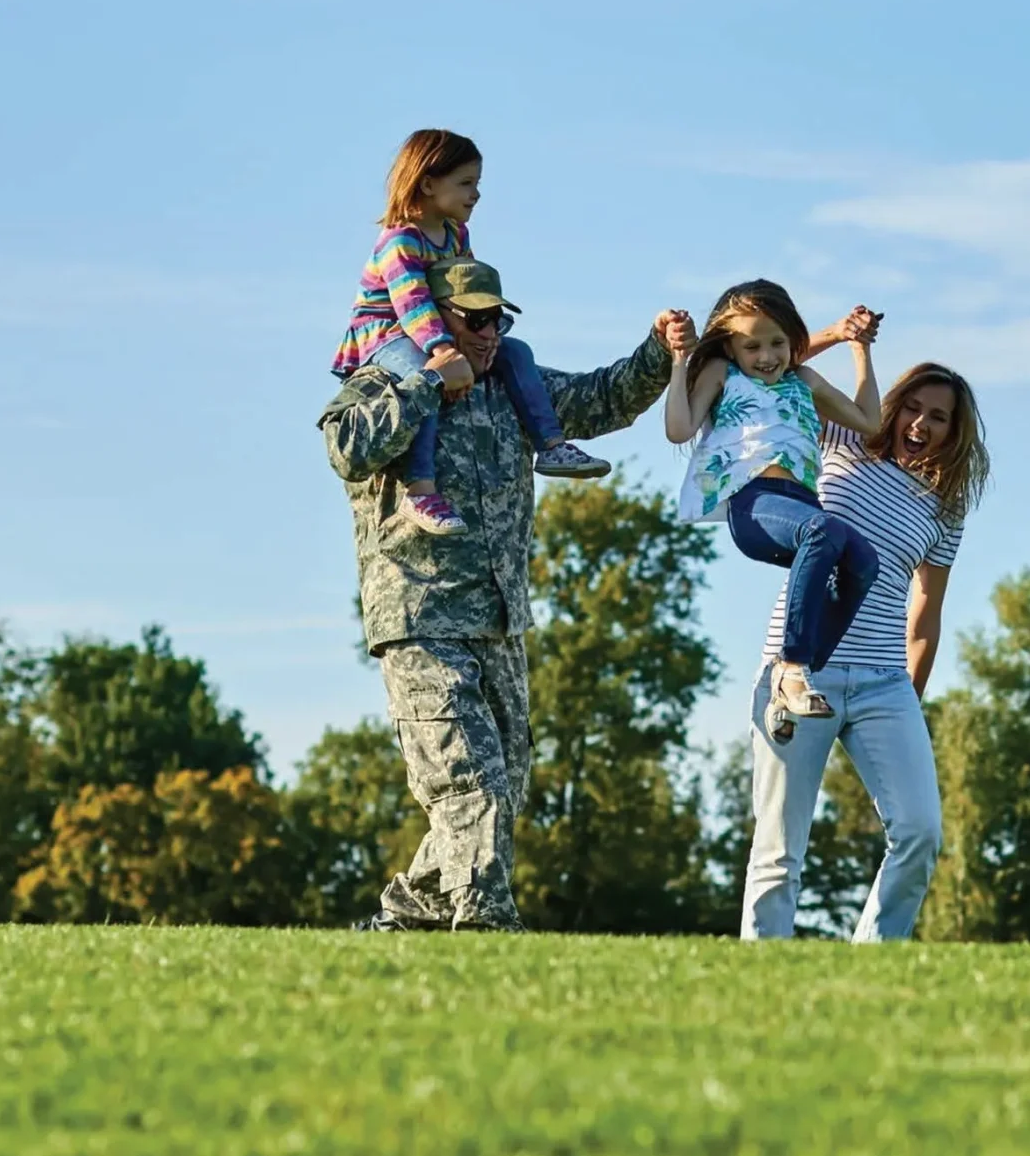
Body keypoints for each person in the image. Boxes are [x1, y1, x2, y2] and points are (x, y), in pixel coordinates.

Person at [318, 256, 695, 931]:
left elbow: (600, 398)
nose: (491, 333)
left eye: (499, 318)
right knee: (469, 779)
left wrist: (656, 352)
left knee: (505, 783)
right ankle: (486, 919)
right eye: (475, 318)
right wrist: (427, 386)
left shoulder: (513, 389)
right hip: (419, 614)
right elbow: (344, 445)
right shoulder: (388, 376)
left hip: (498, 619)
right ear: (434, 317)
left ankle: (411, 912)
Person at [740, 356, 992, 942]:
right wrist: (848, 342)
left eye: (938, 418)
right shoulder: (843, 438)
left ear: (954, 433)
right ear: (893, 403)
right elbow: (781, 367)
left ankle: (876, 959)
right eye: (912, 407)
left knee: (921, 831)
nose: (920, 424)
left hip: (885, 684)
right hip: (800, 670)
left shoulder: (944, 508)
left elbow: (925, 616)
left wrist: (909, 700)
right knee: (779, 843)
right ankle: (760, 974)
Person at [333, 129, 610, 538]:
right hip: (385, 332)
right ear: (428, 183)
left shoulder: (456, 233)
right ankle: (421, 488)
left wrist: (486, 331)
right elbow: (413, 304)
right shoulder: (400, 240)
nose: (476, 194)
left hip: (431, 331)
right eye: (465, 183)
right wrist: (444, 353)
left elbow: (466, 290)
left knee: (516, 352)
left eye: (477, 184)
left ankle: (551, 445)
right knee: (421, 375)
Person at [664, 281, 883, 736]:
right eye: (753, 346)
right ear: (731, 347)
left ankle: (793, 682)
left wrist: (859, 349)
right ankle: (793, 665)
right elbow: (679, 429)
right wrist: (680, 361)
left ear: (793, 343)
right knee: (824, 531)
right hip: (754, 504)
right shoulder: (725, 375)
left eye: (778, 343)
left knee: (864, 561)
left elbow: (869, 421)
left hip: (803, 507)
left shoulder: (802, 381)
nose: (767, 356)